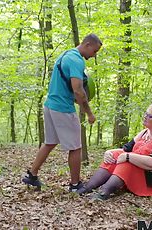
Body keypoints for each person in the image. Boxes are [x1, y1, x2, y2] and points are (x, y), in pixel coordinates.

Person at [22, 34, 102, 192]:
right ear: (87, 44)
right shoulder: (76, 60)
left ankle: (32, 175)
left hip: (50, 105)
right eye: (94, 51)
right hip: (62, 108)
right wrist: (89, 113)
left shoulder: (66, 54)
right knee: (76, 147)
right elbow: (78, 91)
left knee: (50, 142)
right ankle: (75, 185)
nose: (94, 55)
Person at [77, 103, 152, 200]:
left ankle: (104, 192)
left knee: (127, 161)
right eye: (145, 114)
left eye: (149, 116)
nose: (145, 117)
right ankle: (88, 187)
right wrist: (109, 152)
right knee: (115, 155)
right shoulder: (144, 132)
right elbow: (125, 149)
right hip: (144, 169)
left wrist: (128, 157)